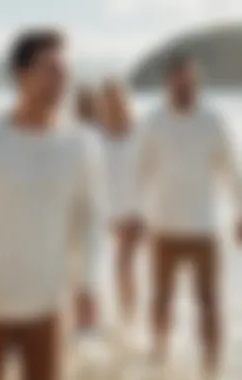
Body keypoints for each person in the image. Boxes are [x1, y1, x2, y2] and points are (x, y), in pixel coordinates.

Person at [0, 29, 108, 380]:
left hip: (48, 307)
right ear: (21, 75)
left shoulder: (82, 144)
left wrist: (89, 285)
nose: (60, 82)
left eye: (65, 73)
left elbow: (91, 219)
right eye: (51, 71)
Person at [140, 56, 242, 376]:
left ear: (197, 83)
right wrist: (133, 213)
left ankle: (211, 369)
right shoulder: (154, 120)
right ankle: (159, 358)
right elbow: (140, 170)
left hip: (204, 228)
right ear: (169, 83)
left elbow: (231, 170)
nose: (185, 87)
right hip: (163, 227)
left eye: (190, 81)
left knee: (210, 303)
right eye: (178, 81)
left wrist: (240, 211)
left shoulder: (213, 120)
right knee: (161, 298)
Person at [98, 80, 142, 331]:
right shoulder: (96, 137)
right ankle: (125, 318)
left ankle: (130, 319)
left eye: (117, 100)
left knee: (124, 265)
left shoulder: (140, 132)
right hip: (111, 212)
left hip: (138, 211)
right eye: (108, 101)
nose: (113, 106)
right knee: (120, 267)